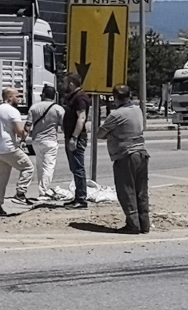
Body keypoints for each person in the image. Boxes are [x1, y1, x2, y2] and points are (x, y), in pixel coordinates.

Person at [98, 85, 151, 233]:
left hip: (125, 155)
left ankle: (133, 225)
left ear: (115, 98)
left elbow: (99, 134)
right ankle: (144, 224)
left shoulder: (116, 115)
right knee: (141, 191)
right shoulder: (138, 110)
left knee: (126, 191)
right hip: (142, 153)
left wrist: (112, 134)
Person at [0, 87, 33, 216]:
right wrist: (25, 132)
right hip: (9, 148)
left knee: (0, 180)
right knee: (28, 167)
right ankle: (20, 193)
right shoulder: (12, 111)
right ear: (9, 97)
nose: (19, 99)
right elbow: (19, 131)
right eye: (17, 96)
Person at [27, 84, 65, 199]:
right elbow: (63, 126)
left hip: (36, 140)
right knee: (48, 166)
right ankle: (43, 191)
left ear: (43, 95)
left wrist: (23, 139)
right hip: (50, 141)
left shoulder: (34, 107)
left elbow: (28, 125)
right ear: (54, 96)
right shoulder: (58, 109)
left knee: (40, 166)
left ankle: (42, 188)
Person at [62, 73, 91, 209]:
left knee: (78, 168)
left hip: (77, 138)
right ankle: (77, 197)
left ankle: (81, 199)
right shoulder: (73, 97)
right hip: (70, 136)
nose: (64, 85)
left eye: (65, 82)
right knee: (74, 168)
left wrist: (74, 137)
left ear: (71, 83)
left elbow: (81, 118)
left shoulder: (80, 98)